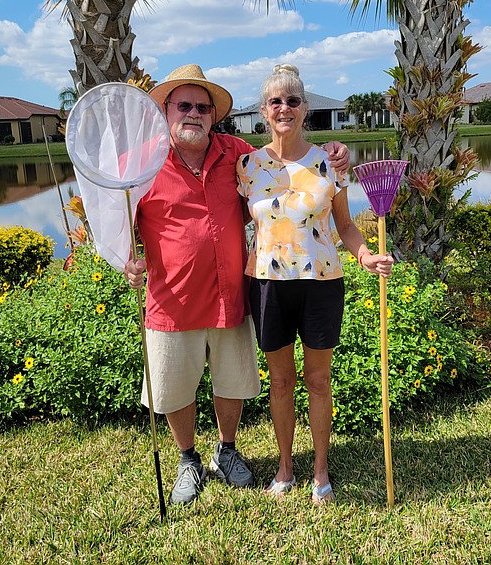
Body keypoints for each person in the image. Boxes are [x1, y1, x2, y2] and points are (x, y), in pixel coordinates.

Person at [123, 64, 350, 505]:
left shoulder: (237, 155)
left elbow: (292, 173)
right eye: (183, 105)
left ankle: (227, 451)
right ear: (167, 110)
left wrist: (337, 152)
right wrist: (125, 261)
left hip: (231, 296)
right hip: (173, 299)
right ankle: (188, 459)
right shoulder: (144, 164)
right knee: (175, 385)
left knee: (232, 382)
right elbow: (117, 222)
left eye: (202, 106)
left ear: (214, 114)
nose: (193, 113)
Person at [236, 64, 393, 505]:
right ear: (264, 111)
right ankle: (285, 467)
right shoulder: (247, 166)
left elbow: (346, 226)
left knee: (318, 380)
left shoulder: (330, 163)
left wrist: (365, 254)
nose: (284, 107)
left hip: (321, 283)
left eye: (292, 100)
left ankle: (320, 471)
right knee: (281, 381)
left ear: (305, 109)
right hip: (267, 284)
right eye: (275, 101)